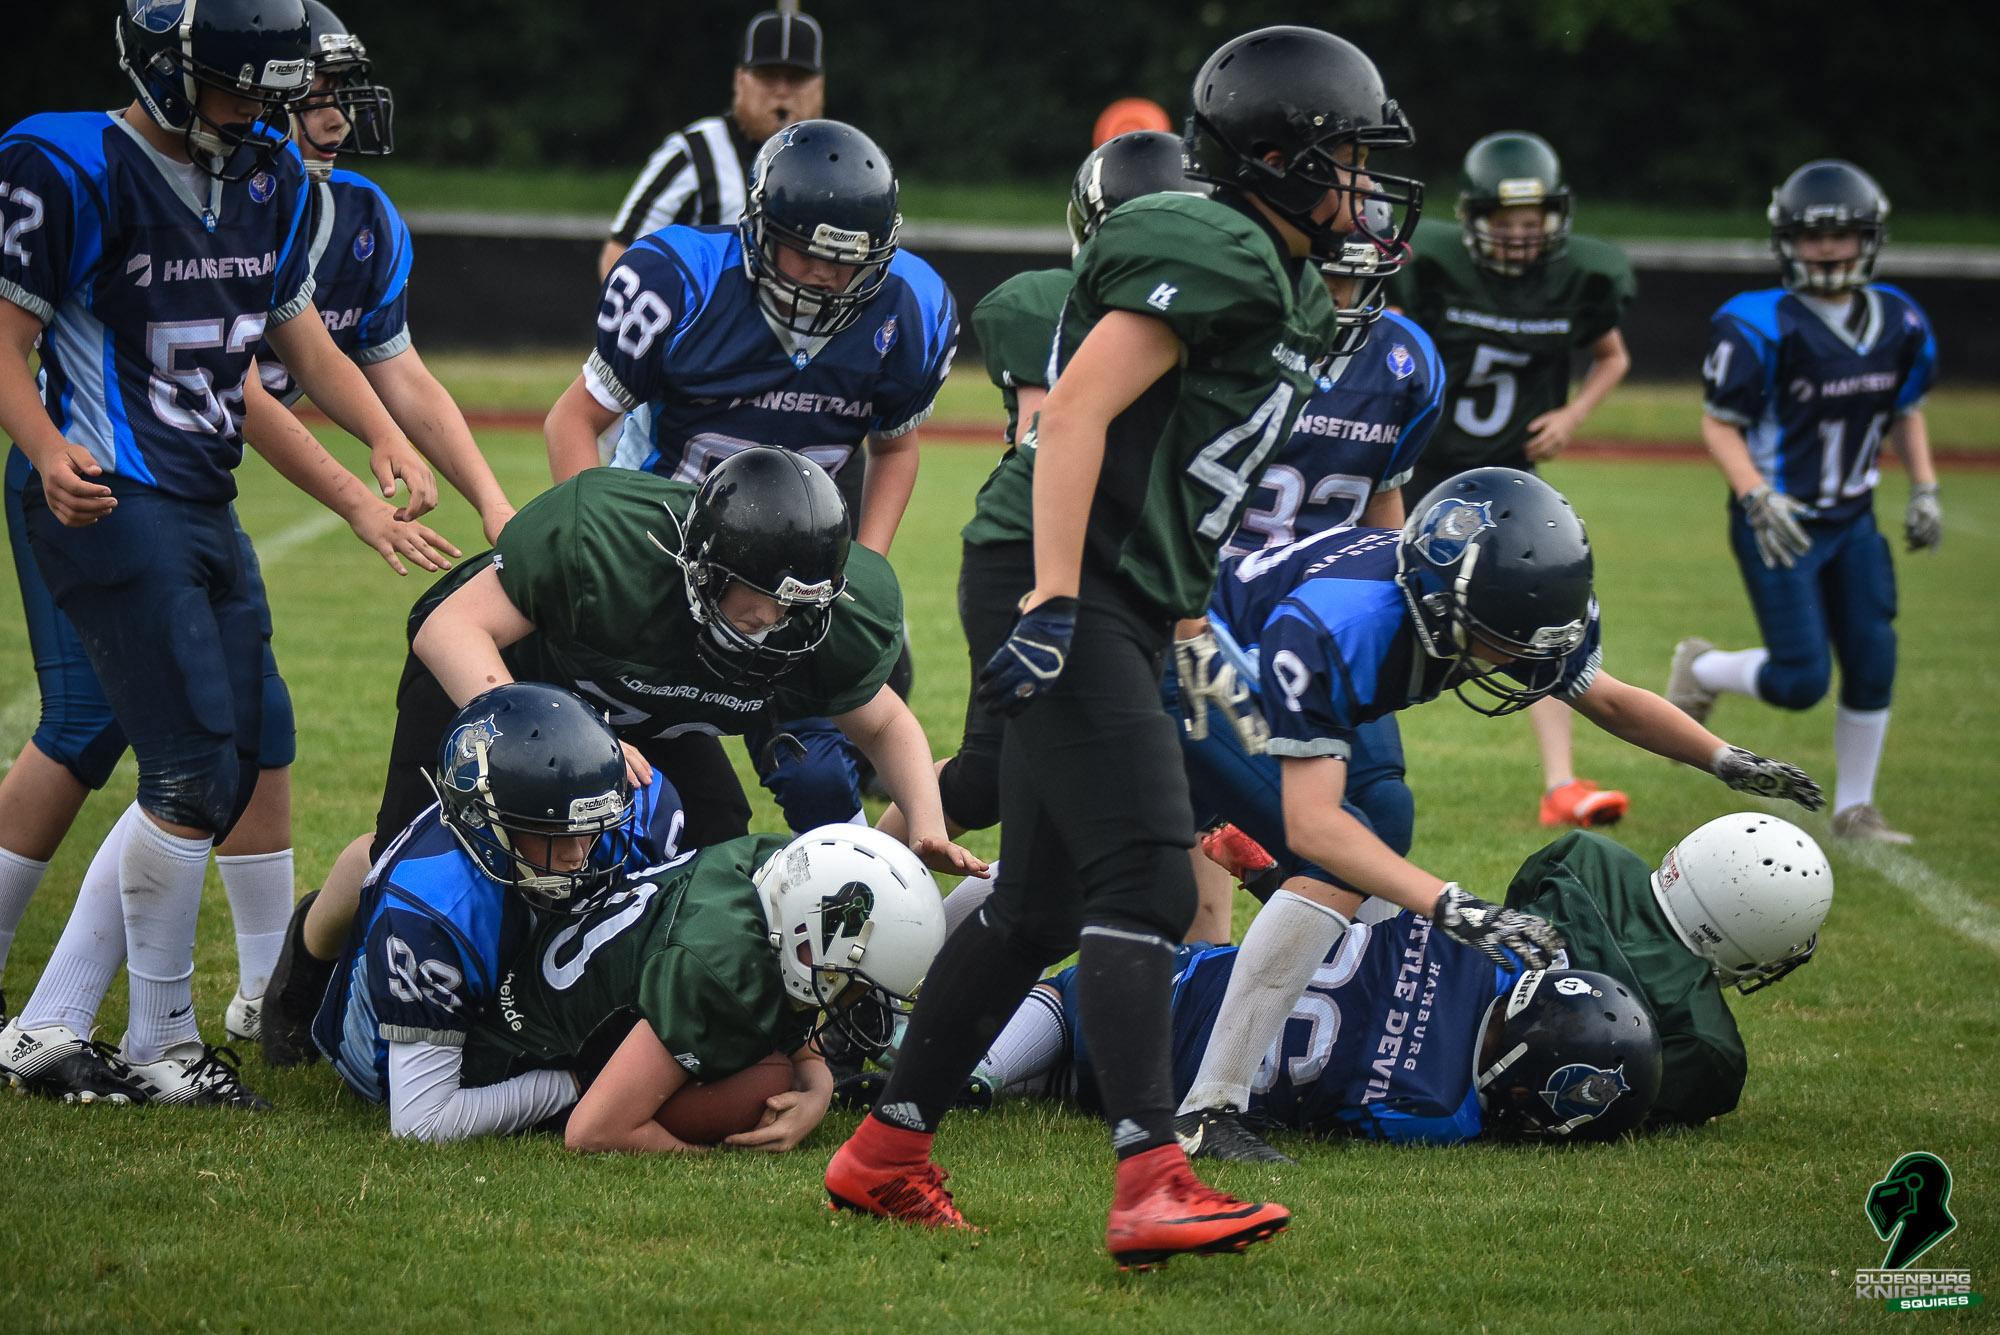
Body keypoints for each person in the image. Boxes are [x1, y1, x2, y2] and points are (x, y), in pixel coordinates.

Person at [825, 26, 1422, 1269]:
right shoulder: (1215, 246)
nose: (1365, 186)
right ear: (1279, 157)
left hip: (1118, 592)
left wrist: (1179, 621)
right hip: (1061, 580)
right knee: (1147, 876)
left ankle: (882, 1152)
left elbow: (1178, 471)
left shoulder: (1277, 275)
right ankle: (1152, 1176)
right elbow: (1079, 416)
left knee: (1034, 905)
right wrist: (1052, 602)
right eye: (1349, 158)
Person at [0, 0, 438, 1109]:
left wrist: (381, 434)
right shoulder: (70, 164)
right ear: (168, 71)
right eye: (244, 90)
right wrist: (45, 448)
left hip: (200, 494)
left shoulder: (264, 177)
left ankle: (49, 1023)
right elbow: (5, 335)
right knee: (187, 767)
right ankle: (160, 1043)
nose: (261, 116)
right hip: (111, 490)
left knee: (234, 759)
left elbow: (297, 338)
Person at [1169, 469, 1826, 1162]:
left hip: (1286, 661)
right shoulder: (1344, 624)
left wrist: (1721, 758)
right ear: (1442, 603)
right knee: (1314, 851)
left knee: (1383, 812)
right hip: (1200, 664)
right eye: (1506, 640)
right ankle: (1211, 1106)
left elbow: (1605, 697)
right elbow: (1313, 827)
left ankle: (1352, 975)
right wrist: (1448, 905)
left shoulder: (1494, 601)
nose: (1525, 661)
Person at [259, 447, 980, 1064]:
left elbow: (886, 723)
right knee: (423, 856)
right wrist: (579, 737)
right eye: (759, 601)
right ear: (704, 570)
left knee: (713, 853)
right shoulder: (605, 547)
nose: (772, 625)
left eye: (793, 610)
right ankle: (308, 961)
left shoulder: (810, 617)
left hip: (647, 712)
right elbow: (449, 630)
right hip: (502, 683)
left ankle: (625, 1016)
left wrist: (925, 825)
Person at [549, 118, 953, 834]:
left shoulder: (909, 308)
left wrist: (864, 565)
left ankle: (846, 896)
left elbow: (895, 448)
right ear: (760, 227)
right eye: (807, 252)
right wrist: (589, 553)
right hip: (664, 556)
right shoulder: (684, 281)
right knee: (623, 795)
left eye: (848, 261)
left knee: (818, 773)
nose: (826, 275)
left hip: (790, 576)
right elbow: (574, 420)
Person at [969, 813, 1831, 1143]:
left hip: (1183, 990)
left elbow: (1362, 910)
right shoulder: (1441, 1112)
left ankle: (978, 1064)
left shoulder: (1489, 950)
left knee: (1073, 993)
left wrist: (1271, 875)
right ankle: (997, 1065)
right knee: (1078, 1058)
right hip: (1196, 1070)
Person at [1665, 161, 1940, 844]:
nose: (1828, 249)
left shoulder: (1901, 319)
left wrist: (1925, 486)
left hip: (1853, 519)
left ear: (1868, 238)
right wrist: (1755, 494)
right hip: (1778, 520)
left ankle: (1856, 809)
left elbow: (1904, 410)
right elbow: (1719, 423)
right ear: (1787, 241)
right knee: (1801, 680)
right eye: (1814, 236)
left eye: (1842, 235)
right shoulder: (1758, 322)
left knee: (1873, 656)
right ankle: (1702, 667)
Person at [1388, 131, 1638, 831]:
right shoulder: (1432, 268)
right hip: (1419, 467)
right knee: (1385, 608)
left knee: (1549, 614)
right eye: (1506, 222)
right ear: (1475, 220)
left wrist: (1573, 413)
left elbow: (1613, 355)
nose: (1521, 236)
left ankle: (1560, 783)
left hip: (1508, 476)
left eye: (1533, 222)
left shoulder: (1576, 279)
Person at [313, 683, 675, 1142]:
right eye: (553, 832)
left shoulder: (632, 814)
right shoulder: (431, 912)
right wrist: (583, 1081)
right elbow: (423, 1122)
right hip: (401, 1059)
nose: (579, 854)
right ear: (486, 822)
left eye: (590, 829)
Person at [459, 824, 944, 1154]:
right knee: (766, 1081)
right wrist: (702, 1158)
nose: (856, 1002)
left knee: (777, 1059)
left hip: (559, 980)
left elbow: (797, 1029)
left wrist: (817, 1095)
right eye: (857, 988)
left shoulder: (772, 868)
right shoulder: (721, 976)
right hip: (514, 1062)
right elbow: (593, 1132)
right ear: (804, 946)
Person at [600, 9, 825, 282]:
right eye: (767, 75)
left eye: (797, 78)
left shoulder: (837, 160)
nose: (781, 91)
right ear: (739, 81)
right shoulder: (695, 153)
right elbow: (621, 255)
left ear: (820, 87)